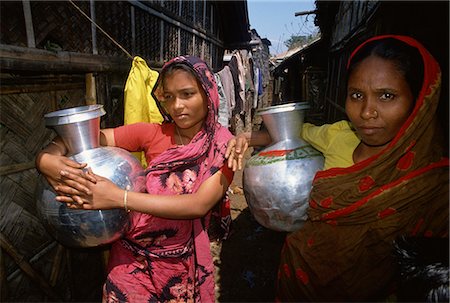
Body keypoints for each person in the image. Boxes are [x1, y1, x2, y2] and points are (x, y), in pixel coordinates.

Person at [226, 35, 449, 301]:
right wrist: (246, 138)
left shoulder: (433, 185)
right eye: (356, 95)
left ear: (419, 101)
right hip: (302, 276)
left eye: (386, 96)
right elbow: (291, 134)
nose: (367, 112)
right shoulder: (338, 135)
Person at [35, 56, 234, 302]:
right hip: (130, 260)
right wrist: (46, 158)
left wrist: (119, 197)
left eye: (187, 94)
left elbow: (198, 204)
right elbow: (82, 138)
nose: (177, 105)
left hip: (179, 266)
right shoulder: (152, 133)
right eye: (169, 96)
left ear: (208, 93)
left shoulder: (224, 146)